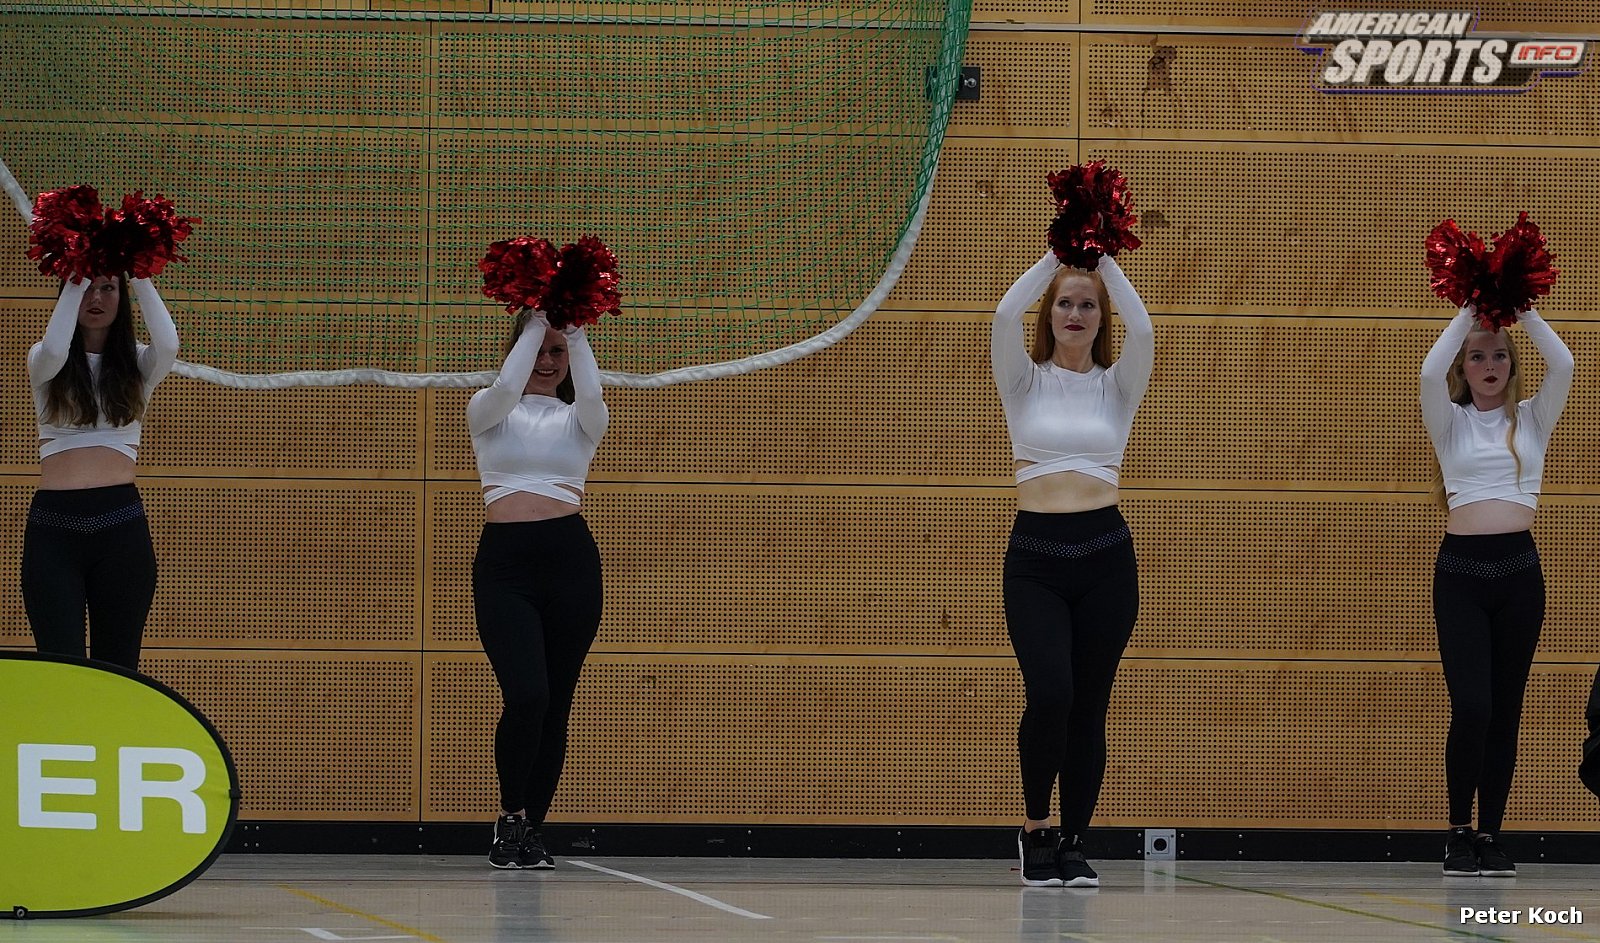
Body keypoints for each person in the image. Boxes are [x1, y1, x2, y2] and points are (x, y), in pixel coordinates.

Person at [991, 250, 1153, 887]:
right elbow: (1004, 315)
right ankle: (1037, 828)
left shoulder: (1118, 386)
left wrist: (1103, 258)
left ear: (1101, 317)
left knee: (1089, 705)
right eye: (1065, 302)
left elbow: (1144, 328)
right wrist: (1060, 253)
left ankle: (1075, 840)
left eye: (1088, 305)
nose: (1076, 313)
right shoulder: (1022, 381)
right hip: (1036, 559)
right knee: (1051, 693)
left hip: (1106, 557)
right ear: (1050, 314)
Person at [1420, 305, 1573, 877]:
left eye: (1500, 355)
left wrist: (1521, 309)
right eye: (1478, 356)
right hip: (1461, 576)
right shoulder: (1449, 420)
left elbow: (1565, 364)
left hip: (1519, 576)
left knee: (1505, 710)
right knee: (1473, 706)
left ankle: (1490, 834)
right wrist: (1469, 310)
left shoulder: (1533, 418)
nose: (1490, 365)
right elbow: (1429, 373)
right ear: (1464, 366)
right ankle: (1458, 831)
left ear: (1512, 365)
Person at [467, 309, 608, 870]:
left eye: (557, 352)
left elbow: (592, 394)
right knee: (528, 696)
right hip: (506, 567)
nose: (547, 361)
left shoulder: (581, 419)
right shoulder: (487, 410)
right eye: (538, 350)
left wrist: (575, 324)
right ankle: (509, 813)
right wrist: (536, 315)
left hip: (571, 563)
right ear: (520, 349)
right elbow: (508, 386)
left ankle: (531, 828)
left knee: (556, 704)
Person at [22, 273, 180, 671]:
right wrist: (76, 272)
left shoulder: (139, 364)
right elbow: (56, 348)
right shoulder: (43, 359)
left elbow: (169, 345)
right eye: (86, 287)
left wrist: (140, 274)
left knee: (120, 671)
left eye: (107, 288)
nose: (96, 297)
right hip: (54, 530)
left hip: (121, 528)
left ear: (121, 297)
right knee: (61, 668)